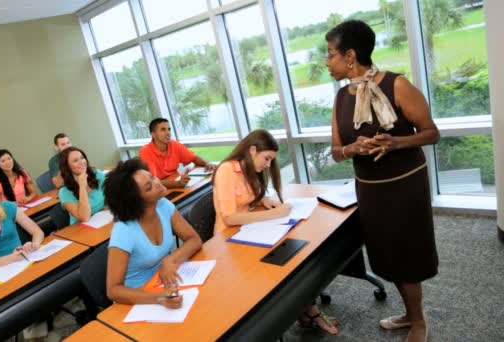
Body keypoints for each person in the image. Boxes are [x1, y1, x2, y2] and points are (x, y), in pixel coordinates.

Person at [326, 20, 439, 342]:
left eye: (330, 54)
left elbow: (432, 133)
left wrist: (396, 142)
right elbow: (336, 152)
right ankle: (408, 314)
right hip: (370, 189)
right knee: (387, 255)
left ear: (350, 55)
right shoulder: (340, 98)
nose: (326, 61)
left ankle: (418, 321)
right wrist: (352, 148)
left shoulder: (397, 84)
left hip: (405, 186)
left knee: (408, 254)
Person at [212, 129, 338, 335]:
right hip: (230, 242)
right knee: (281, 268)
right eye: (267, 158)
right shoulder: (226, 170)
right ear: (252, 150)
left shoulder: (249, 168)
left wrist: (265, 201)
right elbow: (230, 218)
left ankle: (305, 309)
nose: (268, 165)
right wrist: (275, 214)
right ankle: (307, 311)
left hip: (252, 230)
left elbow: (249, 195)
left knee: (293, 260)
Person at [104, 158, 202, 307]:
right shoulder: (123, 231)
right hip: (139, 297)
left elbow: (194, 239)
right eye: (149, 187)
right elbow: (113, 291)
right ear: (136, 201)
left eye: (152, 176)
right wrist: (158, 298)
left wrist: (169, 260)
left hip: (164, 282)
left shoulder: (163, 205)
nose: (158, 183)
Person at [139, 118, 217, 189]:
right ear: (153, 134)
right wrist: (177, 184)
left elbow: (194, 158)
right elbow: (152, 181)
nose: (168, 133)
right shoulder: (145, 152)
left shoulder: (174, 144)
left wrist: (207, 163)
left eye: (169, 129)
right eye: (163, 130)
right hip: (159, 189)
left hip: (175, 183)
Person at [58, 147, 106, 224]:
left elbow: (113, 195)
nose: (82, 162)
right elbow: (84, 217)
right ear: (67, 166)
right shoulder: (64, 192)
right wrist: (82, 186)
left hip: (104, 219)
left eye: (82, 158)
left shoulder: (96, 174)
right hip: (81, 230)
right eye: (75, 160)